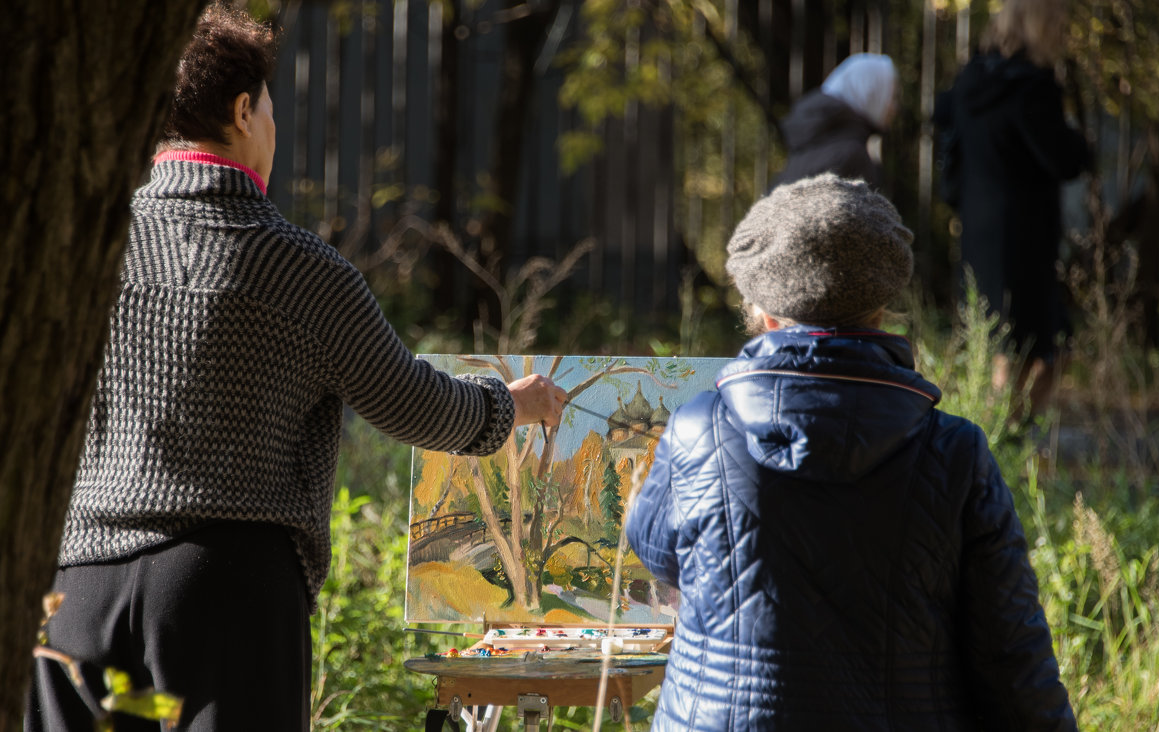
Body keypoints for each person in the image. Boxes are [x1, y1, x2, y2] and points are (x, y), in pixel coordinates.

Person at [24, 5, 566, 731]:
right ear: (243, 110)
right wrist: (511, 405)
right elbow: (410, 404)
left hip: (78, 585)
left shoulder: (85, 250)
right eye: (271, 107)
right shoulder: (298, 268)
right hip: (227, 593)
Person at [625, 174, 1078, 731]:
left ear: (766, 316)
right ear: (880, 312)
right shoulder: (955, 452)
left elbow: (654, 551)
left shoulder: (699, 428)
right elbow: (1012, 657)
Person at [933, 0, 1090, 423]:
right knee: (1043, 348)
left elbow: (950, 147)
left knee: (1003, 349)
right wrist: (1079, 142)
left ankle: (999, 441)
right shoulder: (1031, 87)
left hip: (980, 231)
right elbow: (1064, 157)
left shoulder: (970, 82)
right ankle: (1003, 441)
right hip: (1024, 237)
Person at [772, 53, 898, 191]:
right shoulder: (851, 157)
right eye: (891, 96)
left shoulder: (806, 149)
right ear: (870, 91)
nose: (893, 108)